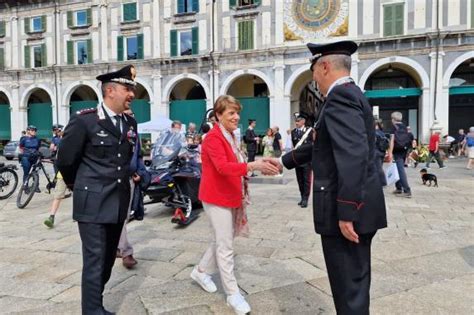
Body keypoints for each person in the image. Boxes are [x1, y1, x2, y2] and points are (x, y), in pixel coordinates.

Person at [265, 40, 387, 314]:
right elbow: (322, 144)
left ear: (324, 66)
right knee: (351, 286)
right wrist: (284, 160)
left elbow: (354, 156)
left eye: (314, 74)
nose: (315, 81)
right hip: (359, 206)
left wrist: (346, 211)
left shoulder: (341, 98)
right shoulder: (349, 95)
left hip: (346, 212)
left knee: (348, 291)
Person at [56, 65, 139, 315]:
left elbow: (125, 159)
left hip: (118, 200)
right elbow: (66, 161)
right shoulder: (85, 120)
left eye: (132, 88)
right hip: (91, 200)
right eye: (127, 88)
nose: (132, 93)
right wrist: (80, 187)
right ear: (110, 90)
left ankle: (96, 304)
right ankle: (91, 311)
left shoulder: (129, 121)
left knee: (106, 261)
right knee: (94, 260)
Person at [190, 95, 279, 315]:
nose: (236, 117)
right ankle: (232, 294)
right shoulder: (212, 138)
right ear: (218, 115)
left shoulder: (229, 135)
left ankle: (201, 271)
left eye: (237, 112)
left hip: (230, 193)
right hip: (216, 196)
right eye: (231, 113)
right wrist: (253, 165)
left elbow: (236, 162)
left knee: (223, 239)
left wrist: (258, 164)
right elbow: (223, 167)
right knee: (226, 246)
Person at [44, 127, 67, 228]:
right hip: (63, 173)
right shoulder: (62, 144)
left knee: (79, 195)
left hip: (76, 173)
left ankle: (78, 214)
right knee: (58, 195)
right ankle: (51, 216)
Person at [387, 111, 412, 197]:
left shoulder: (394, 127)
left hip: (397, 150)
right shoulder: (405, 127)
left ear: (393, 119)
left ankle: (407, 190)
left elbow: (392, 141)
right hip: (404, 150)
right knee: (397, 168)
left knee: (400, 169)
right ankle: (398, 188)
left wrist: (390, 152)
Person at [291, 114, 312, 208]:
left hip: (307, 160)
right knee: (299, 179)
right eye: (296, 121)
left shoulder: (309, 131)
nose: (296, 123)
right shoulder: (293, 132)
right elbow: (294, 145)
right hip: (297, 160)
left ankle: (305, 199)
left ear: (303, 121)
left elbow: (312, 145)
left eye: (298, 121)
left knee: (306, 180)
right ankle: (302, 196)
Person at [374, 119, 388, 186]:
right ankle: (379, 181)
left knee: (378, 168)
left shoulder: (374, 133)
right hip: (382, 152)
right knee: (380, 167)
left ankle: (383, 182)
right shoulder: (382, 133)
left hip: (376, 152)